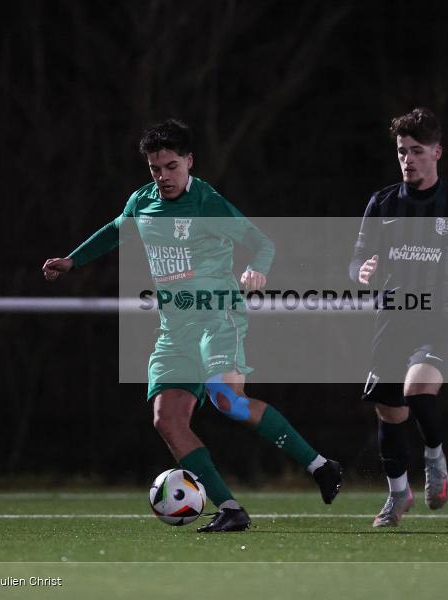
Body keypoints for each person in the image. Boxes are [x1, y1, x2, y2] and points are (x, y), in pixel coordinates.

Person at [43, 118, 341, 532]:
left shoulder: (207, 203)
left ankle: (320, 465)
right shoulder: (142, 202)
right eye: (155, 168)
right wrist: (72, 260)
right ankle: (230, 509)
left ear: (189, 161)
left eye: (171, 166)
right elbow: (115, 231)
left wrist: (256, 268)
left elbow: (261, 243)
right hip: (174, 330)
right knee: (166, 419)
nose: (163, 176)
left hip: (217, 318)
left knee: (227, 400)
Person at [349, 107, 448, 527]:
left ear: (437, 152)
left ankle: (435, 459)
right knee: (389, 411)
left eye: (417, 151)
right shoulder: (382, 203)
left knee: (418, 392)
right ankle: (398, 495)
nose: (408, 159)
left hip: (437, 319)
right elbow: (357, 260)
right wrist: (362, 271)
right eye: (402, 151)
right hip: (391, 320)